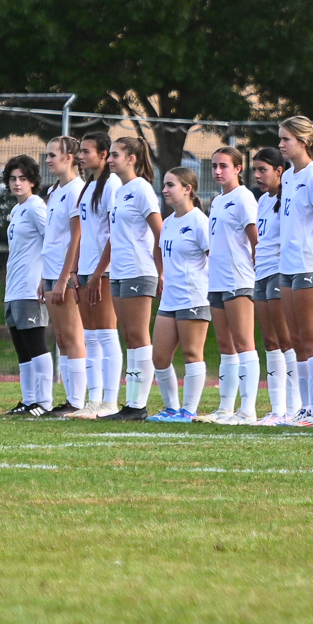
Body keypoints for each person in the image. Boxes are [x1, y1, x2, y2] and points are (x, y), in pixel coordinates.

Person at [276, 117, 313, 427]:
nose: (281, 144)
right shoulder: (288, 176)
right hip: (287, 265)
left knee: (312, 338)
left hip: (309, 265)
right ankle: (305, 407)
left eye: (286, 139)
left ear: (302, 142)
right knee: (296, 338)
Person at [104, 137, 164, 422]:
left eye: (115, 154)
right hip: (119, 272)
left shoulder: (141, 189)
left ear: (132, 159)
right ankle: (130, 403)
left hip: (139, 270)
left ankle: (138, 405)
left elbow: (159, 232)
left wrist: (161, 270)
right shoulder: (120, 191)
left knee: (139, 336)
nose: (109, 159)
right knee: (128, 336)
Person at [147, 166, 211, 422]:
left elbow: (213, 258)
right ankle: (171, 408)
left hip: (193, 297)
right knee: (160, 356)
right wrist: (161, 274)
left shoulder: (199, 222)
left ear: (188, 189)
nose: (164, 190)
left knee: (192, 353)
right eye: (164, 185)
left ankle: (189, 410)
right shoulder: (169, 223)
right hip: (170, 298)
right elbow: (160, 252)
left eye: (170, 185)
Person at [205, 146, 261, 424]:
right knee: (225, 345)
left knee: (243, 343)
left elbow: (255, 240)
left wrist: (255, 272)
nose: (218, 171)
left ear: (238, 169)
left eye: (224, 166)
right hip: (216, 280)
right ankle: (225, 408)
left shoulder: (243, 197)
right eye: (214, 166)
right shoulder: (217, 201)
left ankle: (247, 410)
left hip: (238, 279)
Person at [70, 133, 121, 420]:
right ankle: (94, 400)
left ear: (103, 154)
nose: (81, 156)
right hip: (86, 270)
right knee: (90, 336)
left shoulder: (112, 185)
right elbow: (82, 234)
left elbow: (114, 234)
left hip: (104, 271)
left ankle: (110, 402)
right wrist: (76, 270)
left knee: (106, 333)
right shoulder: (88, 187)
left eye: (86, 151)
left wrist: (100, 272)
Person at [37, 137, 86, 416]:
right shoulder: (55, 191)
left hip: (62, 275)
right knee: (61, 338)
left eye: (53, 155)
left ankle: (77, 402)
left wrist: (64, 277)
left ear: (69, 158)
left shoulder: (77, 190)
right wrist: (44, 277)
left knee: (72, 335)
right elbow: (52, 238)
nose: (48, 160)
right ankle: (70, 400)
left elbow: (77, 237)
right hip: (50, 272)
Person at [1, 155, 54, 417]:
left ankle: (44, 402)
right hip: (14, 287)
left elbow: (52, 240)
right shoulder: (17, 210)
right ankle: (29, 400)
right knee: (21, 347)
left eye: (22, 178)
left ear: (32, 181)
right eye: (13, 179)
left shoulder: (35, 207)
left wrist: (46, 277)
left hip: (31, 287)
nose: (17, 183)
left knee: (35, 344)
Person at [252, 149, 291, 422]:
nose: (257, 175)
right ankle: (277, 409)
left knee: (286, 340)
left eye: (263, 170)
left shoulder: (288, 198)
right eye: (255, 170)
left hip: (280, 270)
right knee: (270, 342)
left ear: (279, 171)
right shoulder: (263, 200)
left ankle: (294, 407)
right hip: (262, 272)